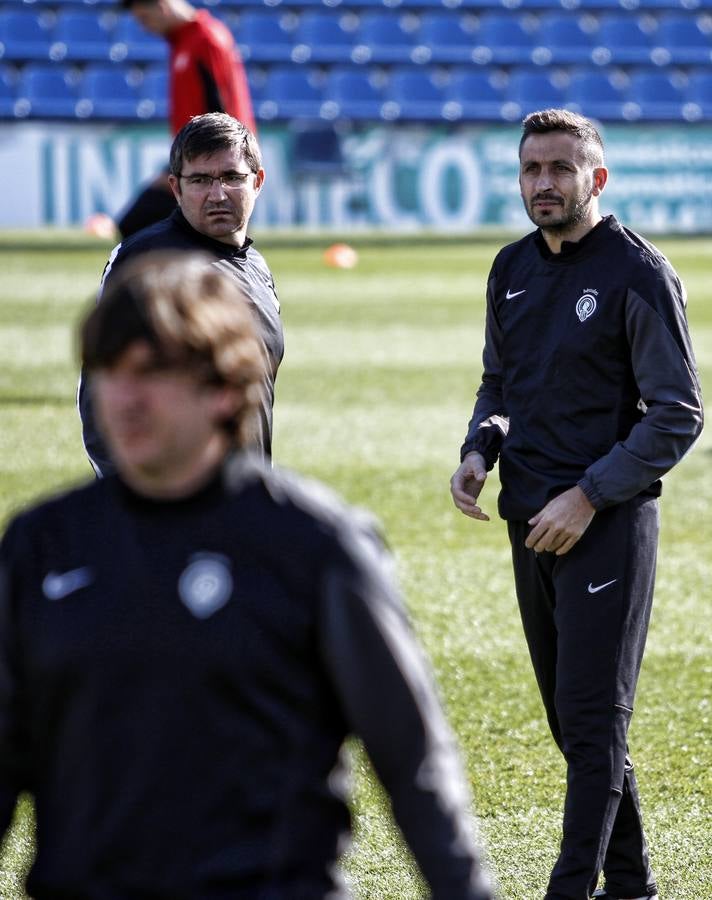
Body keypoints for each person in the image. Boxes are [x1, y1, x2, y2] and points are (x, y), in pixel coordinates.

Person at [0, 252, 495, 900]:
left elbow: (413, 762)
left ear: (225, 387)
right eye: (108, 371)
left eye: (152, 372)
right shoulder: (43, 545)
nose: (123, 398)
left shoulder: (316, 543)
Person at [450, 109, 703, 900]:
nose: (543, 184)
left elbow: (678, 412)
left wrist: (590, 495)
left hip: (606, 524)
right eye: (531, 169)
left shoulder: (637, 274)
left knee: (593, 725)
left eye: (561, 169)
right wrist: (477, 450)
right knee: (576, 725)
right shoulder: (511, 268)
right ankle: (630, 886)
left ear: (597, 178)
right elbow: (502, 383)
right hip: (530, 522)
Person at [79, 112, 283, 475]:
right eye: (201, 180)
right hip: (166, 510)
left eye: (232, 177)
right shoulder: (149, 262)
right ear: (175, 187)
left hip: (239, 501)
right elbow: (101, 394)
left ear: (258, 182)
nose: (217, 194)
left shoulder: (255, 265)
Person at [115, 0, 256, 238]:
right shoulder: (184, 41)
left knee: (138, 224)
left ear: (162, 7)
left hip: (212, 158)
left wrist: (203, 168)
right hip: (199, 155)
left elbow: (221, 109)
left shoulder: (206, 39)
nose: (144, 28)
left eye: (144, 19)